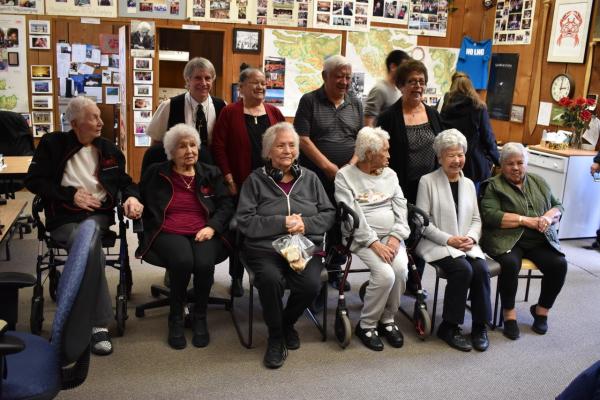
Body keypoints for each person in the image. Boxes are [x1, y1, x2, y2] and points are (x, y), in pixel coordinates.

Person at [25, 97, 143, 356]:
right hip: (63, 218)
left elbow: (126, 182)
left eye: (100, 116)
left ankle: (71, 319)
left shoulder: (109, 150)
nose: (101, 122)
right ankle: (99, 324)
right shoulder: (53, 144)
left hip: (97, 217)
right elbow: (34, 181)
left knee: (88, 237)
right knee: (91, 248)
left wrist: (132, 196)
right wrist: (70, 195)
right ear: (75, 123)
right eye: (93, 117)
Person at [236, 122, 335, 369]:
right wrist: (282, 222)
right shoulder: (255, 180)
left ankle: (286, 323)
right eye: (280, 145)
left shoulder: (311, 179)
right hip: (265, 249)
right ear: (268, 151)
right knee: (270, 281)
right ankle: (276, 337)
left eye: (292, 145)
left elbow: (329, 214)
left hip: (303, 247)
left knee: (311, 285)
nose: (287, 150)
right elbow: (245, 221)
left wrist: (306, 225)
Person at [138, 124, 234, 350]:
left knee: (203, 263)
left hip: (204, 230)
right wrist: (132, 200)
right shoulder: (157, 172)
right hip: (168, 230)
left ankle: (199, 316)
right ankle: (176, 317)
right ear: (171, 152)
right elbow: (136, 190)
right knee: (182, 261)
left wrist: (212, 227)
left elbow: (226, 204)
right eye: (182, 146)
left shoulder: (211, 173)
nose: (189, 150)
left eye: (193, 145)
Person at [480, 142, 567, 340]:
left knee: (559, 264)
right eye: (510, 163)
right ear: (502, 165)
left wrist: (548, 217)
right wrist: (525, 220)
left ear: (526, 164)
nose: (516, 168)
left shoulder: (538, 181)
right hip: (506, 240)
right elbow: (491, 215)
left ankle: (541, 310)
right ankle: (509, 314)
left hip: (538, 239)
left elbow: (558, 206)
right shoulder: (493, 185)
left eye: (520, 163)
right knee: (510, 264)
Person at [415, 129, 492, 352]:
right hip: (437, 243)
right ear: (439, 157)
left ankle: (479, 326)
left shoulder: (468, 183)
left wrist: (471, 237)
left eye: (460, 155)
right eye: (451, 155)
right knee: (463, 270)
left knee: (480, 269)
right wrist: (450, 240)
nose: (457, 160)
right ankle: (449, 326)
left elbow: (476, 218)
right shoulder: (427, 181)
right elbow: (423, 222)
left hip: (466, 243)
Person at [334, 127, 410, 351]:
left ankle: (387, 319)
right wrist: (374, 243)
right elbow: (352, 216)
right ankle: (366, 325)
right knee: (385, 274)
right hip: (361, 238)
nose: (389, 155)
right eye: (384, 151)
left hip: (390, 237)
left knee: (400, 271)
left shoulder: (391, 175)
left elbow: (401, 209)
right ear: (368, 154)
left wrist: (396, 238)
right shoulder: (345, 176)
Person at [293, 55, 363, 290]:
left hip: (346, 177)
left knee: (339, 224)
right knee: (313, 223)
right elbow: (302, 138)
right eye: (339, 76)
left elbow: (360, 139)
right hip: (313, 177)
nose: (344, 81)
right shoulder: (309, 101)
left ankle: (334, 272)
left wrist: (351, 165)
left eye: (348, 77)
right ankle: (308, 276)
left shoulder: (356, 102)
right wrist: (327, 166)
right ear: (325, 76)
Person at [377, 59, 444, 295]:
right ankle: (392, 280)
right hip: (400, 188)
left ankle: (415, 283)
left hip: (429, 187)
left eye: (421, 82)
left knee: (422, 231)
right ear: (401, 85)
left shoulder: (434, 115)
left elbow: (441, 149)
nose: (417, 86)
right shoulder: (388, 117)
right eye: (412, 82)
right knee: (400, 233)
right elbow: (380, 153)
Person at [211, 67, 285, 197]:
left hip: (272, 182)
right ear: (241, 87)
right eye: (255, 83)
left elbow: (286, 143)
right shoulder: (229, 112)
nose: (260, 87)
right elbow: (218, 147)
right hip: (240, 182)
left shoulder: (274, 112)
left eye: (263, 83)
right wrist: (229, 179)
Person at [145, 57, 226, 168]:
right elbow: (155, 144)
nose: (203, 83)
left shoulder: (222, 106)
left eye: (208, 78)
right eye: (198, 78)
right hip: (177, 172)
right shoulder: (169, 106)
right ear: (187, 80)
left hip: (211, 172)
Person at [441, 72, 500, 190]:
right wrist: (498, 161)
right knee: (471, 203)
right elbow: (488, 137)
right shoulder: (478, 107)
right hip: (474, 165)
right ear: (470, 86)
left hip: (450, 163)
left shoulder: (445, 105)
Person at [364, 49, 411, 127]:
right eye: (403, 68)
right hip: (380, 138)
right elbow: (368, 124)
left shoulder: (398, 90)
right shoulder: (379, 89)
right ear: (393, 67)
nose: (405, 72)